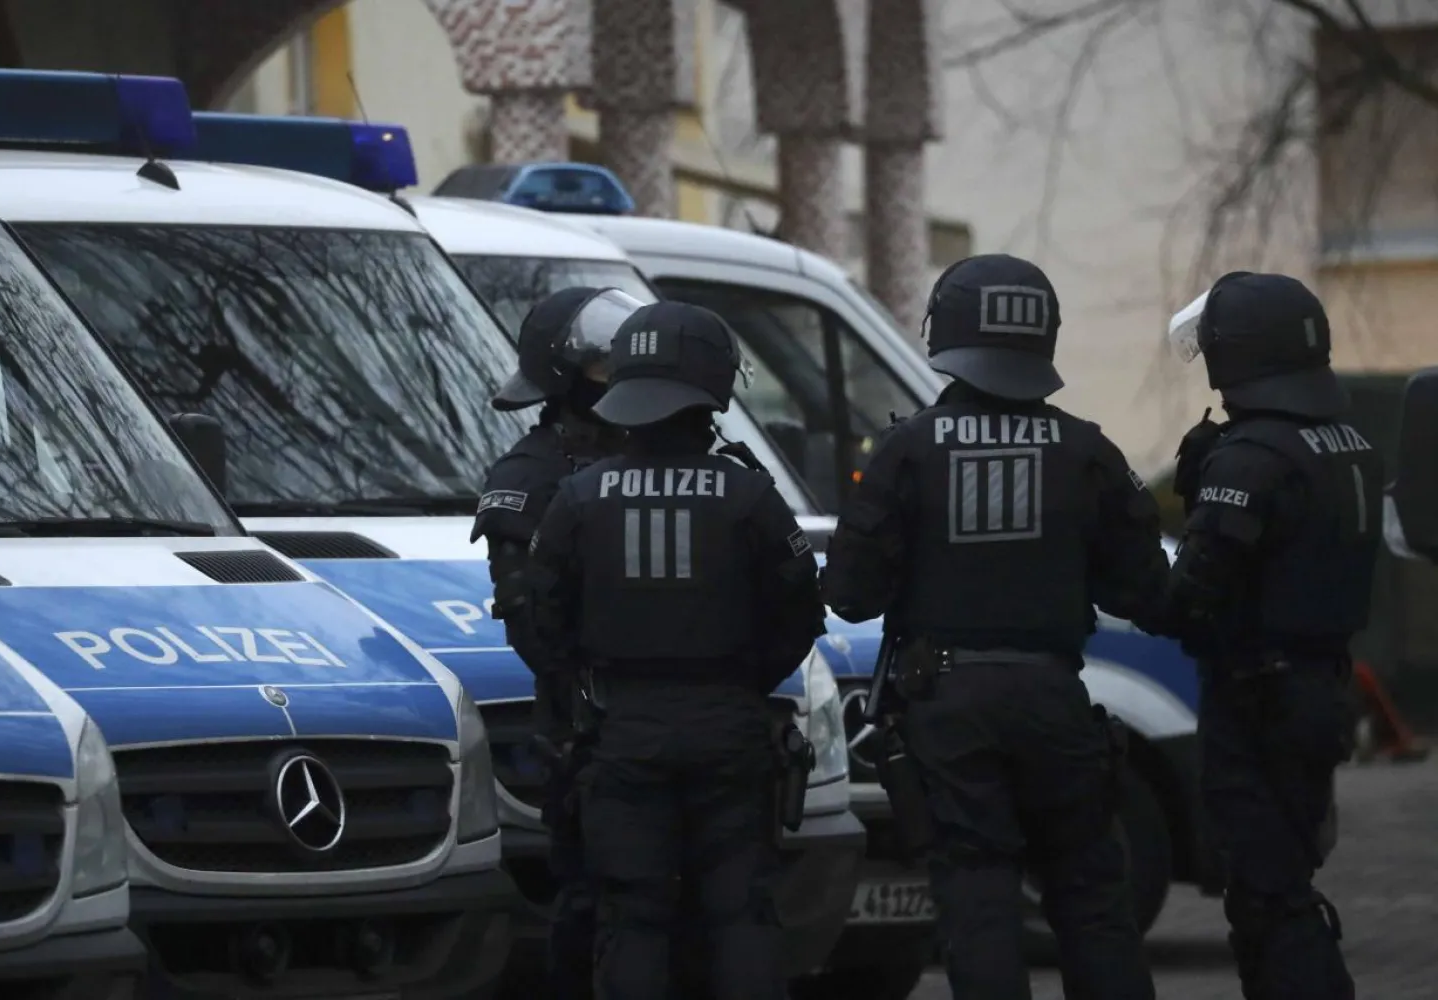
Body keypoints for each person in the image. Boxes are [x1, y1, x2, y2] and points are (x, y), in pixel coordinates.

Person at [821, 253, 1162, 1000]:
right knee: (1092, 896)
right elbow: (1145, 590)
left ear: (944, 333)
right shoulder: (1089, 450)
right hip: (1055, 699)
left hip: (946, 707)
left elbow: (848, 596)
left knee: (976, 896)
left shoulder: (906, 450)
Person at [525, 300, 826, 1000]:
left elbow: (543, 623)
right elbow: (801, 613)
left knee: (633, 918)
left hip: (622, 731)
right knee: (741, 914)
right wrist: (743, 684)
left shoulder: (578, 497)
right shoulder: (750, 495)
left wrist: (591, 687)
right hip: (729, 725)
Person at [1166, 272, 1375, 1000]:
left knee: (1267, 897)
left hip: (1259, 700)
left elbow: (1192, 595)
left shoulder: (1252, 457)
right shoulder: (1347, 442)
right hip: (1321, 688)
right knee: (1284, 875)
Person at [471, 285, 646, 1000]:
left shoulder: (674, 455)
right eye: (608, 366)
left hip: (692, 732)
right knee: (600, 908)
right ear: (568, 377)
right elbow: (533, 627)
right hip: (592, 733)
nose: (624, 378)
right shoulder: (532, 476)